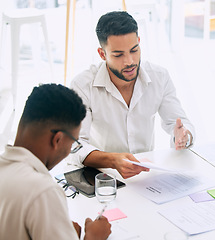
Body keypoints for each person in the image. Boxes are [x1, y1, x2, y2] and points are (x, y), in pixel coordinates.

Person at [69, 11, 195, 179]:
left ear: (139, 43)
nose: (129, 61)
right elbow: (75, 146)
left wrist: (184, 136)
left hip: (147, 176)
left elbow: (179, 122)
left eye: (134, 50)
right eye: (118, 55)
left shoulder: (159, 76)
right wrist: (113, 160)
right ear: (102, 54)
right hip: (104, 177)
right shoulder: (82, 85)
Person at [0, 84, 112, 239]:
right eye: (73, 142)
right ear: (57, 139)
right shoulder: (43, 191)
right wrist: (93, 237)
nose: (68, 151)